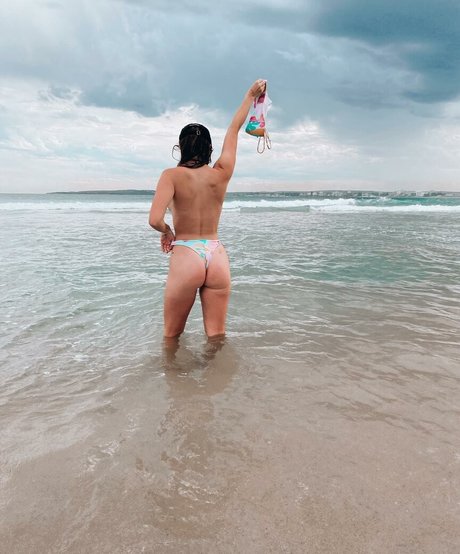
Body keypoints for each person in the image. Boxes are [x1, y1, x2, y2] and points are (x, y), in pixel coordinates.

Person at [149, 79, 267, 339]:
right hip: (217, 255)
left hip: (187, 253)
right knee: (216, 337)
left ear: (180, 148)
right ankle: (217, 368)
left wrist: (167, 231)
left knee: (171, 337)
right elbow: (233, 130)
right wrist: (250, 96)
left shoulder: (171, 176)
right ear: (210, 149)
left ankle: (175, 369)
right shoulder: (221, 173)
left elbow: (155, 219)